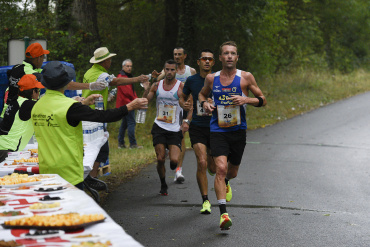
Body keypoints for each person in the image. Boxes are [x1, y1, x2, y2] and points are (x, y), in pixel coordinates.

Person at [31, 61, 148, 190]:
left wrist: (84, 102)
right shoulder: (70, 107)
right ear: (65, 83)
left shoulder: (37, 106)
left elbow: (59, 113)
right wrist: (130, 106)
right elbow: (103, 116)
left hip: (46, 170)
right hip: (69, 172)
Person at [198, 41, 267, 230]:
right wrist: (204, 104)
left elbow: (262, 100)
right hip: (218, 130)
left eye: (233, 53)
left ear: (237, 57)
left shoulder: (245, 77)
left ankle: (227, 182)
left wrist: (246, 99)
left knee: (231, 172)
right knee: (220, 168)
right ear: (220, 58)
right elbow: (202, 95)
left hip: (238, 131)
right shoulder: (212, 79)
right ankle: (223, 214)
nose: (229, 56)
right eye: (226, 53)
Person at [0, 42, 107, 135]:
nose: (43, 60)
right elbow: (61, 83)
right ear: (38, 58)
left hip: (7, 113)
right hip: (18, 120)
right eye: (43, 57)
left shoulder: (17, 68)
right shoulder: (32, 74)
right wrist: (90, 86)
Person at [82, 47, 148, 189]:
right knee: (101, 149)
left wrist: (108, 96)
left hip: (88, 113)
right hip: (95, 116)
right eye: (109, 59)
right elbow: (116, 82)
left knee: (94, 148)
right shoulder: (100, 74)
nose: (111, 62)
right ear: (104, 61)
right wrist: (137, 79)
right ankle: (89, 179)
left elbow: (98, 88)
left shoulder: (90, 72)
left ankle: (89, 178)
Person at [143, 59, 190, 196]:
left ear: (176, 71)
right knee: (160, 159)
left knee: (174, 161)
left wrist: (186, 121)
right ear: (164, 71)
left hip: (175, 129)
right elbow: (145, 101)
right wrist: (146, 88)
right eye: (167, 70)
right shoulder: (157, 85)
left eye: (172, 70)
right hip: (159, 126)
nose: (169, 72)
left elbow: (189, 105)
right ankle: (163, 183)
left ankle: (174, 164)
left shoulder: (181, 87)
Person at [179, 49, 216, 214]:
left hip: (216, 127)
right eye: (204, 59)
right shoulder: (192, 80)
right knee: (201, 162)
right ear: (199, 62)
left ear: (213, 63)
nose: (207, 61)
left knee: (213, 168)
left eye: (210, 59)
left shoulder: (219, 80)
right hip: (198, 127)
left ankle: (211, 163)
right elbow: (182, 96)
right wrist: (184, 105)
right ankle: (205, 200)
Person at [154, 47, 196, 183]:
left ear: (184, 56)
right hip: (168, 108)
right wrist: (154, 78)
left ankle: (179, 169)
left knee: (182, 137)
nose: (177, 57)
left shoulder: (191, 71)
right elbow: (156, 82)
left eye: (179, 55)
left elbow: (195, 89)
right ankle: (168, 150)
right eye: (175, 54)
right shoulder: (168, 70)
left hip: (183, 105)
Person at [0, 74, 45, 162]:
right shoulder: (27, 105)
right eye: (38, 90)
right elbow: (50, 107)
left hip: (3, 147)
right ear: (33, 92)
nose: (39, 93)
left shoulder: (16, 100)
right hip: (7, 150)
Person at [116, 59, 142, 149]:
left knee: (125, 124)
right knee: (131, 123)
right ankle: (133, 144)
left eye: (130, 66)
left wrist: (137, 99)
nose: (129, 68)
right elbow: (128, 92)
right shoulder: (122, 77)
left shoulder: (127, 76)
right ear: (123, 67)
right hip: (127, 104)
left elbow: (131, 91)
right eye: (127, 66)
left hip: (126, 103)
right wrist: (137, 101)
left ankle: (121, 143)